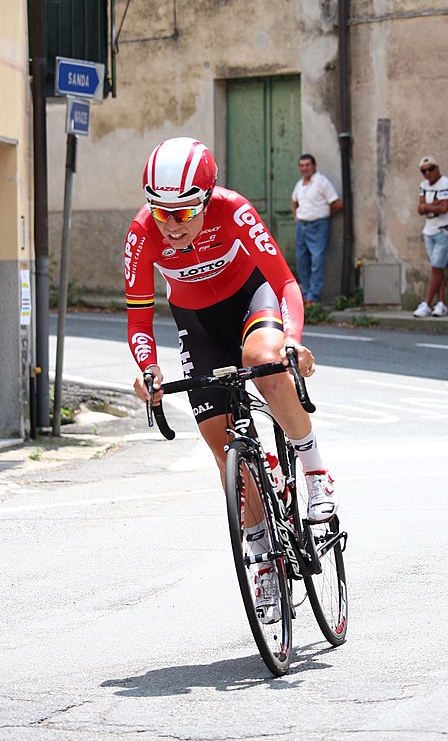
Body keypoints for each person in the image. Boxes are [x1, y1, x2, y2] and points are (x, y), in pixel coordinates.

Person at [125, 137, 338, 623]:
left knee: (263, 359)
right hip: (196, 323)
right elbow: (138, 319)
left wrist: (293, 340)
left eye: (182, 212)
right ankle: (263, 558)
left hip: (250, 301)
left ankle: (314, 468)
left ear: (205, 199)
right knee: (222, 445)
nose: (172, 225)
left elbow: (284, 282)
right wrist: (149, 371)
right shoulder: (143, 233)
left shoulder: (233, 210)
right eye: (161, 213)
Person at [290, 154, 343, 305]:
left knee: (317, 260)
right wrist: (296, 216)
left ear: (314, 166)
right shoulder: (299, 184)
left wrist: (324, 214)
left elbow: (337, 203)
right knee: (302, 261)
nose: (304, 168)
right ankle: (305, 294)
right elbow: (293, 200)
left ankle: (313, 297)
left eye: (307, 165)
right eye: (302, 165)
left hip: (319, 225)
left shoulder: (321, 182)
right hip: (302, 226)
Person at [413, 156, 448, 317]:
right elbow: (420, 208)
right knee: (438, 269)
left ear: (437, 168)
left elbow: (445, 207)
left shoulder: (445, 183)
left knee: (436, 268)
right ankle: (442, 304)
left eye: (430, 169)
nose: (427, 173)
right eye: (423, 171)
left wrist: (428, 206)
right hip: (429, 230)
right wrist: (434, 205)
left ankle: (426, 303)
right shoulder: (423, 185)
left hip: (444, 230)